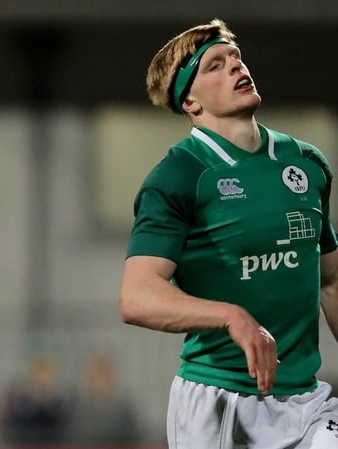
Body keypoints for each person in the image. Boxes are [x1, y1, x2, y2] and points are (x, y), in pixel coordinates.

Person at [119, 18, 338, 448]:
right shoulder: (178, 176)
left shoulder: (306, 163)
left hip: (307, 401)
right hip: (221, 404)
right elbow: (136, 295)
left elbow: (331, 280)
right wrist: (231, 315)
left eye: (235, 57)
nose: (236, 67)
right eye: (214, 65)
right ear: (190, 102)